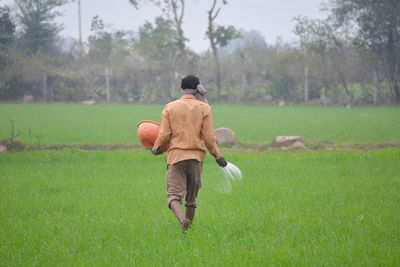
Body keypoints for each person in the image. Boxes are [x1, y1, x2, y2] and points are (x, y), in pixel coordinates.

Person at [151, 75, 227, 232]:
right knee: (191, 199)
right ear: (197, 89)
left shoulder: (170, 107)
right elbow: (208, 138)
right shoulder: (204, 108)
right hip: (195, 159)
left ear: (181, 89)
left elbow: (164, 135)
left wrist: (156, 149)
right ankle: (187, 231)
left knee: (173, 196)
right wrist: (218, 156)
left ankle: (182, 220)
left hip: (176, 158)